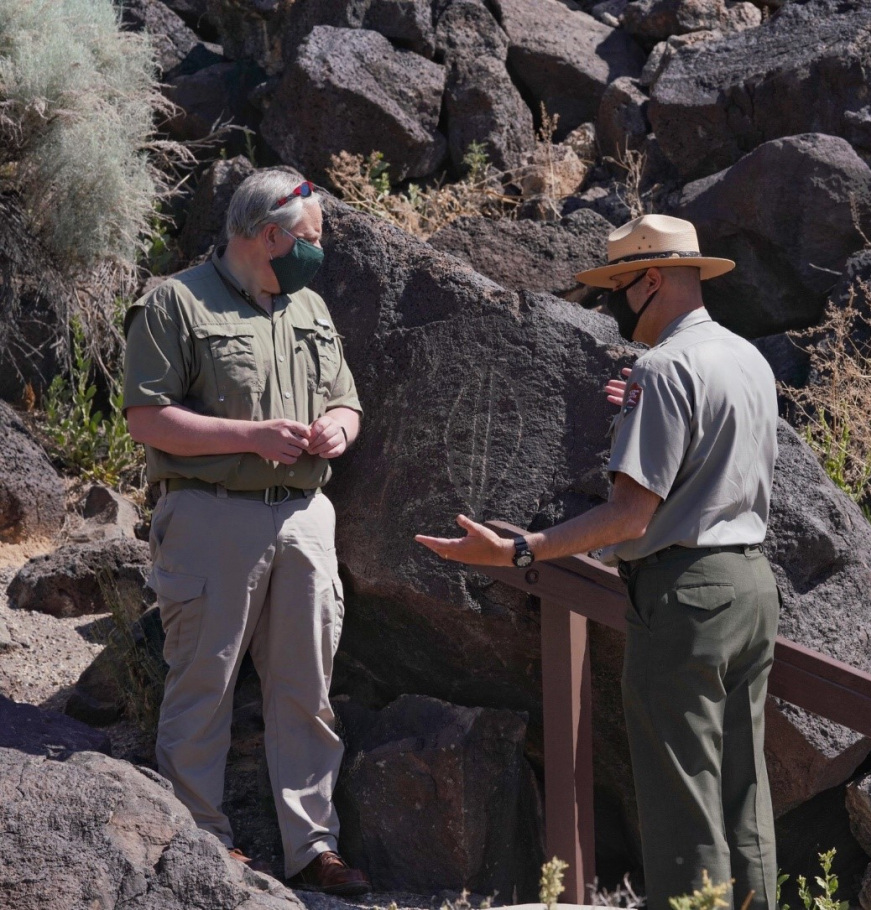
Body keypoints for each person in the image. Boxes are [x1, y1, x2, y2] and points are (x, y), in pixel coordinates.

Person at [416, 214, 780, 910]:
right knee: (744, 783)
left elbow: (628, 515)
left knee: (684, 791)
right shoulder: (747, 358)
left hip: (686, 594)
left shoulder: (664, 368)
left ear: (649, 281)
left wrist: (521, 549)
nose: (613, 304)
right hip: (751, 584)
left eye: (617, 285)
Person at [123, 168, 369, 896]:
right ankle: (200, 842)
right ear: (270, 235)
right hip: (210, 514)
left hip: (303, 519)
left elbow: (348, 403)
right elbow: (145, 417)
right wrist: (249, 435)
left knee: (307, 687)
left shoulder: (310, 308)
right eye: (312, 238)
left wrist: (338, 431)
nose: (318, 251)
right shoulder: (174, 303)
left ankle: (313, 847)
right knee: (205, 681)